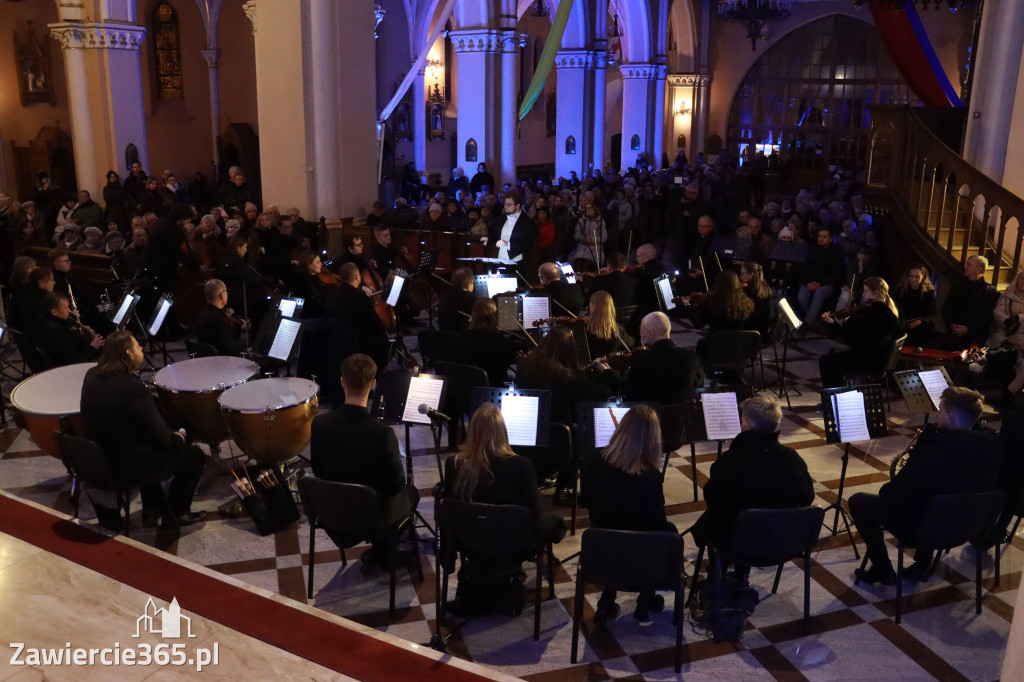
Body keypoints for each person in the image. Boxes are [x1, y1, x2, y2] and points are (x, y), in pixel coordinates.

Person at [849, 387, 1002, 585]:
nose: (938, 414)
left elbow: (893, 496)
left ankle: (882, 570)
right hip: (970, 527)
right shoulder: (993, 445)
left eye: (940, 410)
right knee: (936, 497)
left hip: (925, 530)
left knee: (859, 501)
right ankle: (921, 567)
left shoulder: (935, 447)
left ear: (950, 417)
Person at [81, 331, 206, 528]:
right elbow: (162, 438)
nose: (141, 349)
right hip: (125, 466)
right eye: (137, 346)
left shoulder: (92, 375)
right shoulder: (132, 387)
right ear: (129, 353)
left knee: (146, 444)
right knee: (193, 456)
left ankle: (152, 510)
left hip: (100, 457)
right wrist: (179, 438)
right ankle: (178, 513)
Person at [310, 353, 419, 569]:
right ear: (374, 384)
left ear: (342, 381)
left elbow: (318, 470)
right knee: (411, 492)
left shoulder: (319, 424)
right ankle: (384, 550)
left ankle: (380, 550)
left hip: (331, 512)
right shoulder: (382, 433)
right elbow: (395, 484)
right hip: (371, 517)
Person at [692, 396, 814, 578]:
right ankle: (741, 576)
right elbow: (807, 498)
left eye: (742, 420)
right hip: (785, 542)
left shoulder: (731, 461)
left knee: (714, 519)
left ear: (748, 424)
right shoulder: (792, 458)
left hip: (740, 545)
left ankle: (717, 578)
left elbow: (713, 499)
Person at [583, 405, 676, 623]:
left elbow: (587, 502)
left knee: (615, 531)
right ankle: (645, 599)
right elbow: (656, 525)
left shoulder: (593, 462)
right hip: (638, 556)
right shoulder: (650, 477)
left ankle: (607, 601)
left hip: (601, 549)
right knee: (666, 534)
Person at [443, 403, 566, 566]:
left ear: (472, 432)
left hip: (470, 543)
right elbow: (534, 515)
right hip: (513, 546)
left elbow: (450, 512)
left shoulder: (454, 464)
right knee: (556, 522)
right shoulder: (522, 465)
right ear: (503, 431)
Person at [819, 277, 901, 388]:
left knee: (826, 361)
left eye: (866, 291)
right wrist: (834, 323)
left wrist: (837, 324)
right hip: (879, 359)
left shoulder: (873, 314)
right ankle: (840, 390)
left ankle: (834, 395)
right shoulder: (890, 311)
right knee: (833, 355)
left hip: (868, 361)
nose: (863, 294)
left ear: (876, 293)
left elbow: (853, 339)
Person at [623, 312, 704, 404]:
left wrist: (612, 373)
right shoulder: (692, 357)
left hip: (653, 412)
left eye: (642, 335)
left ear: (650, 333)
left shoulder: (642, 360)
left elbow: (630, 395)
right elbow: (699, 392)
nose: (641, 340)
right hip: (684, 411)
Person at [324, 262, 388, 368]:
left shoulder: (331, 294)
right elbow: (374, 322)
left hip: (334, 340)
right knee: (381, 340)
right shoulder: (359, 297)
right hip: (355, 341)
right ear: (357, 277)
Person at [460, 298, 526, 386]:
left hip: (467, 386)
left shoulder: (462, 336)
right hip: (494, 387)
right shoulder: (497, 340)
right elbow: (512, 355)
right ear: (494, 316)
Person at [941, 254, 999, 349]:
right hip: (953, 336)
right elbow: (947, 308)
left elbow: (987, 317)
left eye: (969, 264)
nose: (964, 267)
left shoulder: (991, 292)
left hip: (976, 339)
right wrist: (951, 325)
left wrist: (969, 329)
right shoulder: (957, 286)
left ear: (979, 269)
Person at [36, 292, 104, 366]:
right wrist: (93, 347)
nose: (69, 311)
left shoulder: (53, 322)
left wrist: (85, 336)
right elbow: (73, 363)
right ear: (54, 312)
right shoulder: (55, 333)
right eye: (66, 307)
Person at [796, 226, 845, 328]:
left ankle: (807, 324)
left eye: (824, 237)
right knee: (802, 297)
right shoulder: (811, 249)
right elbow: (803, 269)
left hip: (826, 283)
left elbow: (835, 274)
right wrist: (807, 283)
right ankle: (814, 319)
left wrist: (820, 284)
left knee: (819, 294)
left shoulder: (837, 252)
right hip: (809, 282)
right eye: (819, 236)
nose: (821, 239)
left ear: (831, 239)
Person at [485, 189, 536, 268]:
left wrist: (508, 243)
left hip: (517, 262)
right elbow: (495, 235)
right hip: (499, 260)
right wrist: (487, 240)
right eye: (505, 203)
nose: (505, 206)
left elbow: (526, 242)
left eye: (509, 204)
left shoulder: (527, 222)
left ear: (517, 205)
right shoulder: (501, 219)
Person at [194, 279, 246, 356]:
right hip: (221, 359)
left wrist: (239, 329)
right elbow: (230, 350)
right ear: (222, 295)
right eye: (226, 291)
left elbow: (222, 338)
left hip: (207, 357)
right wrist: (249, 353)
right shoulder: (218, 319)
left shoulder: (201, 314)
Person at [892, 262, 937, 348]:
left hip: (921, 330)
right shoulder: (900, 291)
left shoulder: (929, 293)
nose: (913, 279)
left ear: (923, 277)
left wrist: (920, 321)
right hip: (903, 328)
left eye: (917, 277)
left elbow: (931, 315)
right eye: (911, 276)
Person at [585, 290, 634, 359]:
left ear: (593, 307)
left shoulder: (585, 329)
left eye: (589, 306)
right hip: (611, 364)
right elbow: (631, 343)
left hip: (593, 364)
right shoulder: (617, 329)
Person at [739, 261, 773, 338]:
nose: (740, 276)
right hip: (762, 331)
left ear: (751, 274)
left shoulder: (747, 291)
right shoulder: (765, 288)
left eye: (742, 273)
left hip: (748, 331)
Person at [437, 266, 476, 332]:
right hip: (462, 336)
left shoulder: (443, 297)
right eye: (473, 284)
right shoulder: (470, 298)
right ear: (469, 285)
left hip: (445, 335)